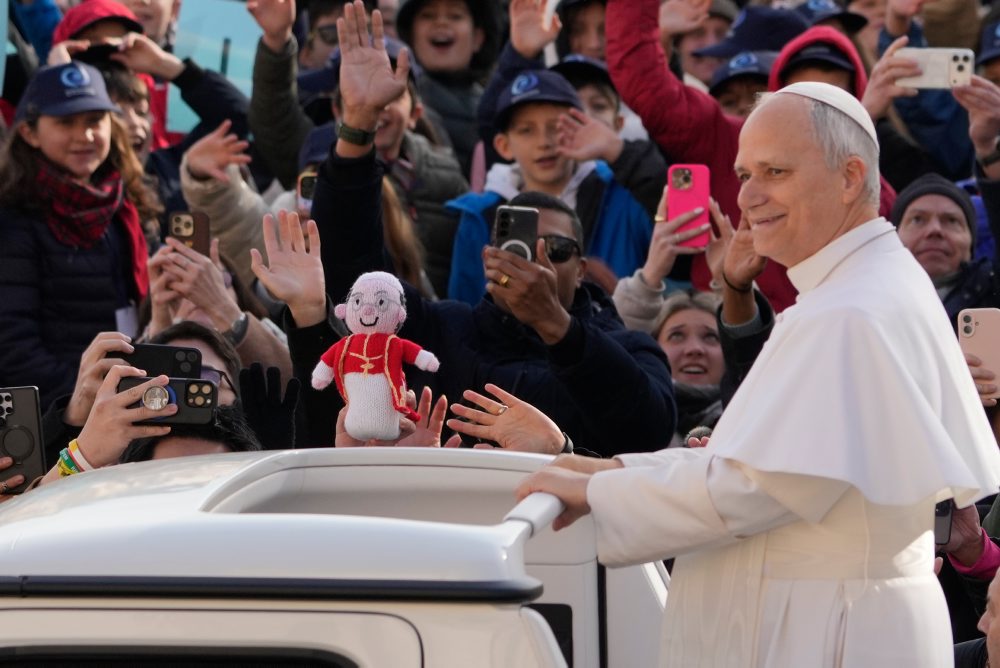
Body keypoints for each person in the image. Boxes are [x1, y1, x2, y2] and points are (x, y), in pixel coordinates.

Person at [517, 82, 1000, 665]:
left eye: (775, 172)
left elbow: (753, 488)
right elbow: (750, 462)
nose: (748, 196)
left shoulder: (849, 309)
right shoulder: (863, 286)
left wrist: (599, 489)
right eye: (744, 174)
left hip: (834, 633)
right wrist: (611, 469)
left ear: (850, 178)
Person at [255, 2, 676, 454]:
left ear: (582, 268)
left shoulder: (629, 348)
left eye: (555, 248)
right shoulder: (442, 333)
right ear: (489, 258)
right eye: (517, 246)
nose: (536, 262)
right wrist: (358, 123)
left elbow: (647, 429)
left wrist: (555, 325)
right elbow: (356, 271)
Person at [0, 62, 158, 410]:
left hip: (127, 397)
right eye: (66, 122)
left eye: (94, 121)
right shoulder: (13, 219)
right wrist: (84, 400)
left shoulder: (126, 202)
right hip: (62, 415)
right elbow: (12, 346)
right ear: (29, 133)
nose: (84, 136)